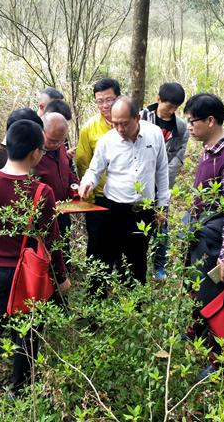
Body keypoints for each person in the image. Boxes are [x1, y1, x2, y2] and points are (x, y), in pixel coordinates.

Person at [0, 120, 71, 402]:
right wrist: (61, 276)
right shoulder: (42, 192)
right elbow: (52, 241)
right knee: (28, 328)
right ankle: (20, 389)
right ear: (35, 154)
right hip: (31, 275)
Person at [182, 93, 224, 377]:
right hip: (203, 238)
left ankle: (220, 360)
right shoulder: (210, 149)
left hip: (219, 243)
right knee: (199, 292)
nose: (189, 126)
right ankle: (197, 337)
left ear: (210, 121)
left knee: (219, 301)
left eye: (192, 121)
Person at [79, 97, 169, 295]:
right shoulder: (107, 141)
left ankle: (135, 304)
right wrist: (87, 182)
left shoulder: (154, 135)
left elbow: (162, 170)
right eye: (114, 123)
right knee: (103, 257)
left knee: (137, 258)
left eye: (124, 123)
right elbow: (94, 170)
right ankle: (96, 306)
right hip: (114, 208)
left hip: (143, 210)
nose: (119, 128)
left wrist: (162, 206)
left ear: (137, 118)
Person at [140, 82, 189, 281]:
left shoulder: (181, 127)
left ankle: (159, 267)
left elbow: (178, 157)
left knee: (161, 226)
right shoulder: (142, 118)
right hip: (139, 184)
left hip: (163, 185)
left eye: (176, 107)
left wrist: (162, 178)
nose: (172, 110)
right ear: (158, 99)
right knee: (138, 226)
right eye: (169, 105)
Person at [75, 78, 120, 265]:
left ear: (119, 97)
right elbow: (82, 161)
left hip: (126, 196)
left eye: (109, 100)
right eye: (99, 101)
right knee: (96, 244)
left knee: (120, 242)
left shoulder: (131, 123)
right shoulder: (89, 128)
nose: (104, 105)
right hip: (99, 196)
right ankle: (96, 290)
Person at [34, 113, 79, 263]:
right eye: (52, 140)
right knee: (48, 249)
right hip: (44, 214)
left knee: (63, 243)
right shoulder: (32, 153)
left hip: (64, 208)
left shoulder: (60, 147)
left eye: (61, 140)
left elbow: (66, 170)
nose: (56, 144)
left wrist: (76, 184)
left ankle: (66, 271)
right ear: (42, 132)